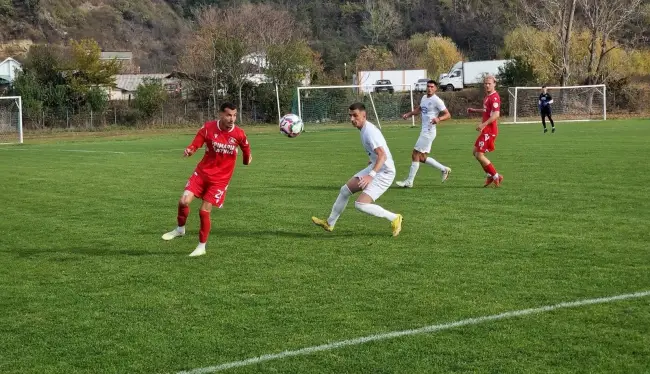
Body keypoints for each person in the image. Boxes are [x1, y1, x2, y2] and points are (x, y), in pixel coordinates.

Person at [162, 102, 252, 257]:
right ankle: (180, 229)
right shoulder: (208, 128)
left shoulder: (239, 134)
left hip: (220, 180)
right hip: (202, 173)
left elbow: (246, 149)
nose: (232, 118)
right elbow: (196, 142)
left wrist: (246, 160)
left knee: (204, 211)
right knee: (183, 201)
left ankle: (201, 246)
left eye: (235, 115)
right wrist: (190, 150)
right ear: (220, 114)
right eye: (229, 115)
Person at [312, 102, 403, 236]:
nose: (352, 119)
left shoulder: (369, 132)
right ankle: (329, 223)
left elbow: (382, 155)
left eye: (355, 116)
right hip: (376, 166)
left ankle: (394, 217)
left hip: (385, 173)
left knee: (360, 204)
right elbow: (379, 154)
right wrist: (372, 160)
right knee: (344, 190)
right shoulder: (364, 129)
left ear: (364, 115)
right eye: (350, 116)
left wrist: (370, 175)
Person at [396, 80, 452, 188]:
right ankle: (444, 169)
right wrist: (409, 114)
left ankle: (409, 181)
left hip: (429, 131)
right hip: (424, 130)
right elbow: (419, 110)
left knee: (415, 154)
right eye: (428, 86)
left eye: (432, 87)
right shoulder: (424, 98)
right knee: (421, 157)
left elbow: (448, 114)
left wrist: (439, 119)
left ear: (435, 89)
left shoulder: (437, 101)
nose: (429, 88)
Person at [467, 75, 503, 187]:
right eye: (485, 83)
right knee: (475, 152)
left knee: (479, 154)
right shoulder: (487, 97)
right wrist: (475, 110)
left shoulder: (494, 97)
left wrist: (484, 124)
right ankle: (489, 175)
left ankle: (496, 176)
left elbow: (496, 114)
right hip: (486, 130)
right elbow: (486, 110)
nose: (487, 85)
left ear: (494, 84)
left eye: (489, 83)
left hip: (490, 130)